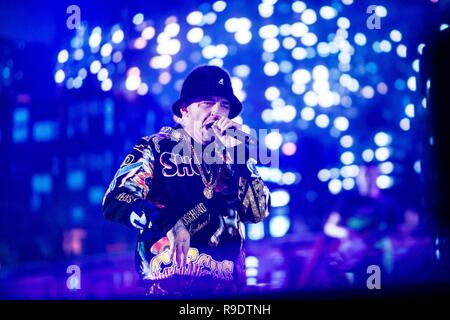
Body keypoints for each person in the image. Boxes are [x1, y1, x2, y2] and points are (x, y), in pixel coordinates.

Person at [102, 65, 271, 297]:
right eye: (207, 102)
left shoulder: (233, 153)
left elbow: (258, 212)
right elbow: (115, 200)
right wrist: (168, 221)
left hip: (229, 289)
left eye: (224, 105)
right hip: (168, 286)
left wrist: (240, 156)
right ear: (184, 109)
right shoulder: (155, 147)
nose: (217, 112)